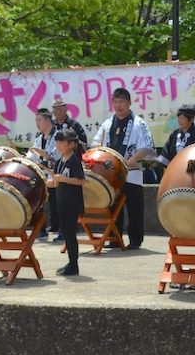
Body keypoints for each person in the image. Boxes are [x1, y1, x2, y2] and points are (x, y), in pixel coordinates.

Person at [90, 88, 155, 250]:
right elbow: (96, 144)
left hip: (131, 172)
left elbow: (146, 147)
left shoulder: (139, 124)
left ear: (129, 103)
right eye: (116, 102)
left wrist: (132, 160)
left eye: (122, 102)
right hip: (110, 174)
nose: (118, 106)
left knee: (134, 208)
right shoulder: (107, 124)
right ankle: (114, 238)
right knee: (112, 207)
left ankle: (135, 240)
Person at [48, 129, 86, 276]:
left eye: (61, 142)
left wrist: (64, 179)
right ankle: (71, 263)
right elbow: (56, 182)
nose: (58, 145)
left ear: (71, 144)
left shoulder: (74, 161)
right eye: (57, 142)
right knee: (66, 235)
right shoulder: (59, 161)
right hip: (62, 203)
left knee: (70, 235)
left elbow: (81, 180)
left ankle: (74, 265)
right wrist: (43, 182)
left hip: (72, 204)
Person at [27, 108, 58, 240]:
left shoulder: (58, 136)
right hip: (41, 175)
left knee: (57, 204)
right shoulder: (39, 138)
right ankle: (41, 229)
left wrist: (46, 159)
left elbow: (57, 157)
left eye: (39, 120)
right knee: (37, 202)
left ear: (47, 120)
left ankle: (60, 230)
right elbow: (32, 156)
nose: (37, 123)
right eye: (36, 120)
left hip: (55, 175)